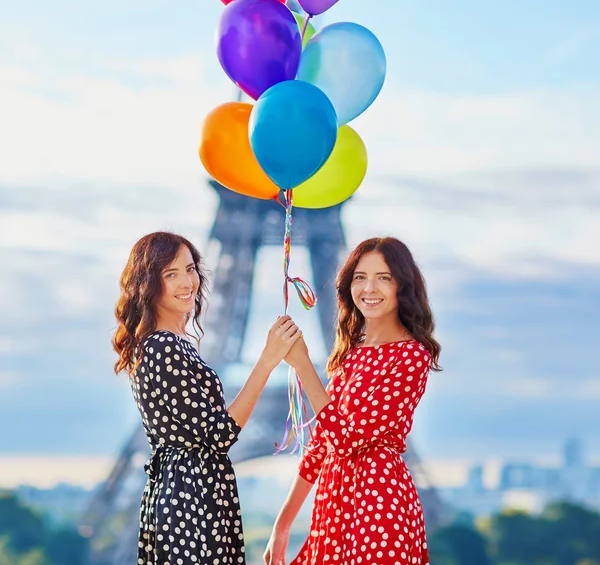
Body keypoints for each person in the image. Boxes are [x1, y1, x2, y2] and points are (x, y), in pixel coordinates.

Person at [113, 231, 303, 565]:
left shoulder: (171, 343)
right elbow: (219, 434)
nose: (187, 282)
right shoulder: (164, 346)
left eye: (190, 269)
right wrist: (268, 359)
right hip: (190, 501)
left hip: (190, 494)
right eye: (171, 274)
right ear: (148, 284)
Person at [264, 237, 442, 565]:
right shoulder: (351, 354)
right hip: (333, 504)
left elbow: (347, 440)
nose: (369, 288)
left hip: (379, 502)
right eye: (360, 277)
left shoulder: (411, 355)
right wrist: (283, 524)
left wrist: (303, 365)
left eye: (383, 277)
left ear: (403, 285)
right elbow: (321, 443)